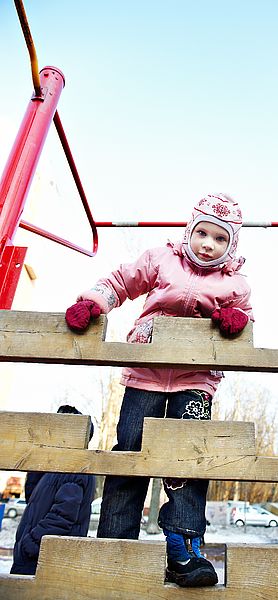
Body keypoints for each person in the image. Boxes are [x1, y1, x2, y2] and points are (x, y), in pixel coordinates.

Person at [64, 193, 253, 588]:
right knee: (130, 452)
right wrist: (95, 302)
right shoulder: (161, 259)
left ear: (231, 245)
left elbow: (247, 321)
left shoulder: (234, 282)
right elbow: (121, 280)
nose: (207, 244)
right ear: (189, 231)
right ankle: (117, 546)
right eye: (201, 233)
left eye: (220, 239)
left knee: (188, 459)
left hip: (195, 380)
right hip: (146, 373)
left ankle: (183, 549)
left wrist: (235, 321)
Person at [10, 405, 96, 575]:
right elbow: (34, 500)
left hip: (42, 559)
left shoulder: (73, 467)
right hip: (35, 558)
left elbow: (62, 516)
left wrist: (30, 544)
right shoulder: (54, 467)